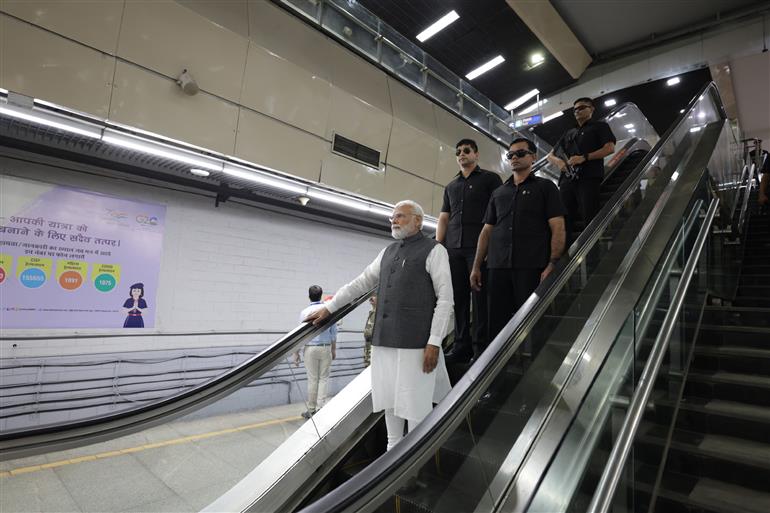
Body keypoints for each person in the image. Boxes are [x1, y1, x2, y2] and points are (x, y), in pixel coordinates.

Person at [306, 200, 453, 452]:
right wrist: (330, 308)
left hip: (416, 345)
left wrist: (434, 341)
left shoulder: (434, 251)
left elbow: (446, 299)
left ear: (417, 221)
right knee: (390, 401)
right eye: (392, 217)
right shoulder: (387, 252)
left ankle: (414, 463)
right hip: (384, 341)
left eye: (400, 216)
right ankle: (391, 455)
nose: (394, 220)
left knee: (415, 405)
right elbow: (360, 283)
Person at [471, 138, 566, 343]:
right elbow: (487, 231)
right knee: (496, 324)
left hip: (531, 266)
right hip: (497, 267)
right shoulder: (498, 192)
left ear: (533, 157)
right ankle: (493, 370)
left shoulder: (546, 187)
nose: (514, 157)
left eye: (520, 153)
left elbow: (557, 226)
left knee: (533, 322)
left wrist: (553, 262)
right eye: (510, 155)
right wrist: (476, 266)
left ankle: (532, 368)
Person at [437, 138, 503, 364]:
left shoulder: (490, 179)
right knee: (459, 299)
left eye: (466, 151)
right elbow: (444, 217)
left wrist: (491, 246)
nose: (462, 154)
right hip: (454, 248)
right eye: (458, 152)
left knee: (481, 298)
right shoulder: (451, 186)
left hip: (479, 248)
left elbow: (499, 212)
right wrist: (439, 246)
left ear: (476, 154)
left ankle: (481, 348)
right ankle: (461, 346)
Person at [547, 97, 616, 240]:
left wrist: (584, 157)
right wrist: (559, 163)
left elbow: (609, 148)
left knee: (590, 216)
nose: (578, 111)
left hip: (589, 178)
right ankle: (563, 257)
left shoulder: (599, 126)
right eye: (575, 109)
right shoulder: (568, 133)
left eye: (582, 107)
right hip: (566, 180)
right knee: (564, 219)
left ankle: (592, 257)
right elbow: (550, 155)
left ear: (591, 109)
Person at [295, 285, 337, 419]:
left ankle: (311, 409)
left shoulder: (304, 312)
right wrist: (333, 349)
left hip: (310, 349)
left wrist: (296, 353)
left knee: (312, 379)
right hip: (325, 347)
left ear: (309, 296)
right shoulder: (328, 310)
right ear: (321, 295)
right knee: (323, 378)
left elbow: (299, 335)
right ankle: (321, 409)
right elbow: (333, 332)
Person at [363, 296, 377, 366]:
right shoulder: (371, 312)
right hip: (368, 346)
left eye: (374, 296)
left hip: (374, 348)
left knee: (371, 368)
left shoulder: (379, 313)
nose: (371, 298)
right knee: (366, 366)